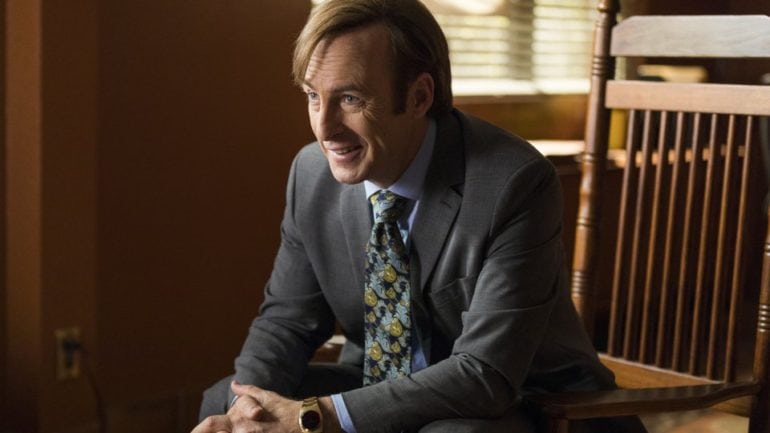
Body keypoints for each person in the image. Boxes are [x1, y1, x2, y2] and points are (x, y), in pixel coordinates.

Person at [193, 1, 646, 432]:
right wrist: (245, 412)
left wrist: (315, 417)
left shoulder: (514, 182)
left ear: (419, 96)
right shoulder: (311, 174)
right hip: (377, 385)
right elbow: (287, 322)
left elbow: (485, 374)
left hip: (528, 401)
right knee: (223, 402)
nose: (324, 128)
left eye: (350, 99)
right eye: (313, 96)